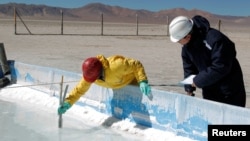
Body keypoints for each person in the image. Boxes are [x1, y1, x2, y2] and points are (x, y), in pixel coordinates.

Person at [168, 15, 246, 107]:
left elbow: (221, 67)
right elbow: (188, 68)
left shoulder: (216, 40)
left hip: (229, 90)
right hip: (209, 90)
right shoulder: (186, 48)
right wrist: (189, 88)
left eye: (178, 40)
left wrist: (198, 80)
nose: (178, 43)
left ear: (187, 36)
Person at [58, 54, 151, 114]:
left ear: (98, 74)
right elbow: (79, 90)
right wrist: (68, 102)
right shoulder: (91, 75)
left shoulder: (116, 66)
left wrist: (142, 81)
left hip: (131, 81)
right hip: (116, 84)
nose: (92, 81)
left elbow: (136, 65)